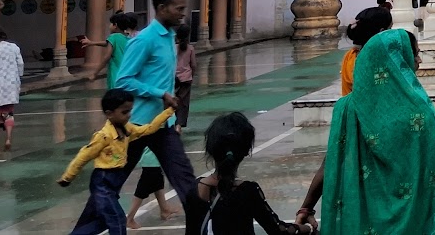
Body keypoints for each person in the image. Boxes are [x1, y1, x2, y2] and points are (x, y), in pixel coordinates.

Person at [298, 28, 435, 234]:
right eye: (415, 54)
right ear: (397, 60)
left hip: (362, 221)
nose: (419, 60)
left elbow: (332, 162)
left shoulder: (348, 109)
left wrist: (307, 207)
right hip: (412, 221)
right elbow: (434, 170)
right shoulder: (419, 112)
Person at [112, 0, 196, 202]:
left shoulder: (169, 37)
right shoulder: (145, 39)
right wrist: (160, 93)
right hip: (138, 124)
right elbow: (123, 80)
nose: (182, 13)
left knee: (185, 181)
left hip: (163, 124)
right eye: (178, 8)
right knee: (110, 186)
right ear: (162, 8)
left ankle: (201, 218)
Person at [57, 87, 175, 235]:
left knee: (102, 223)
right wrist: (68, 177)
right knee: (117, 219)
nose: (128, 115)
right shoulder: (103, 136)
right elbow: (83, 156)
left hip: (114, 183)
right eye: (124, 112)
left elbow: (149, 129)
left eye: (129, 111)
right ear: (109, 114)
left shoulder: (127, 129)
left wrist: (169, 111)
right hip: (103, 182)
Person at [184, 112, 313, 234]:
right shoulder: (248, 191)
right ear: (246, 151)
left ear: (210, 150)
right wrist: (308, 228)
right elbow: (279, 230)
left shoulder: (193, 190)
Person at [339, 5, 392, 96]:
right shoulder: (377, 60)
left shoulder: (350, 55)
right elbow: (383, 91)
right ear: (382, 32)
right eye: (390, 29)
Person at [80, 12, 136, 87]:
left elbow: (107, 56)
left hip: (115, 75)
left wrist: (95, 73)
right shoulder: (128, 39)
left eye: (111, 23)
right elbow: (108, 43)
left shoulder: (113, 37)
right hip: (126, 75)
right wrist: (91, 43)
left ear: (115, 25)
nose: (109, 26)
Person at [127, 149, 176, 229]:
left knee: (158, 181)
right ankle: (129, 218)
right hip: (151, 159)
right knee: (142, 188)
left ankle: (164, 210)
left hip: (154, 158)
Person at [174, 25, 195, 131]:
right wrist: (192, 75)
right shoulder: (190, 48)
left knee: (173, 100)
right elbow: (193, 65)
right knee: (183, 103)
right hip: (186, 78)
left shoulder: (173, 47)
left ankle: (172, 122)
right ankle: (179, 125)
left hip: (174, 78)